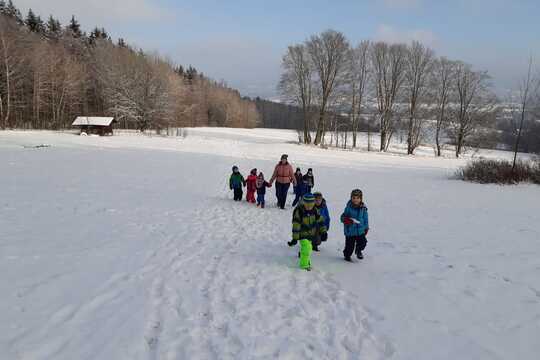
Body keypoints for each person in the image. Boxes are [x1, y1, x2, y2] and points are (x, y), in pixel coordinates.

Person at [288, 193, 328, 270]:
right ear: (304, 203)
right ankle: (304, 265)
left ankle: (304, 258)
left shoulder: (315, 211)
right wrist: (295, 238)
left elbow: (321, 221)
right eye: (307, 204)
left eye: (311, 204)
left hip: (311, 233)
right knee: (307, 248)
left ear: (313, 203)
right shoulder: (299, 211)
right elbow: (296, 225)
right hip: (302, 234)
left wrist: (324, 232)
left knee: (308, 249)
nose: (309, 206)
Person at [340, 189, 369, 262]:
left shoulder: (363, 208)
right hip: (350, 231)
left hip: (360, 230)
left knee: (363, 242)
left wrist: (366, 228)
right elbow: (342, 217)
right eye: (354, 198)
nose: (356, 200)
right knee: (349, 247)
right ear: (351, 198)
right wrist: (346, 220)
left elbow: (365, 219)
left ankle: (358, 251)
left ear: (361, 199)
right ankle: (347, 255)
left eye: (358, 198)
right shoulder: (348, 208)